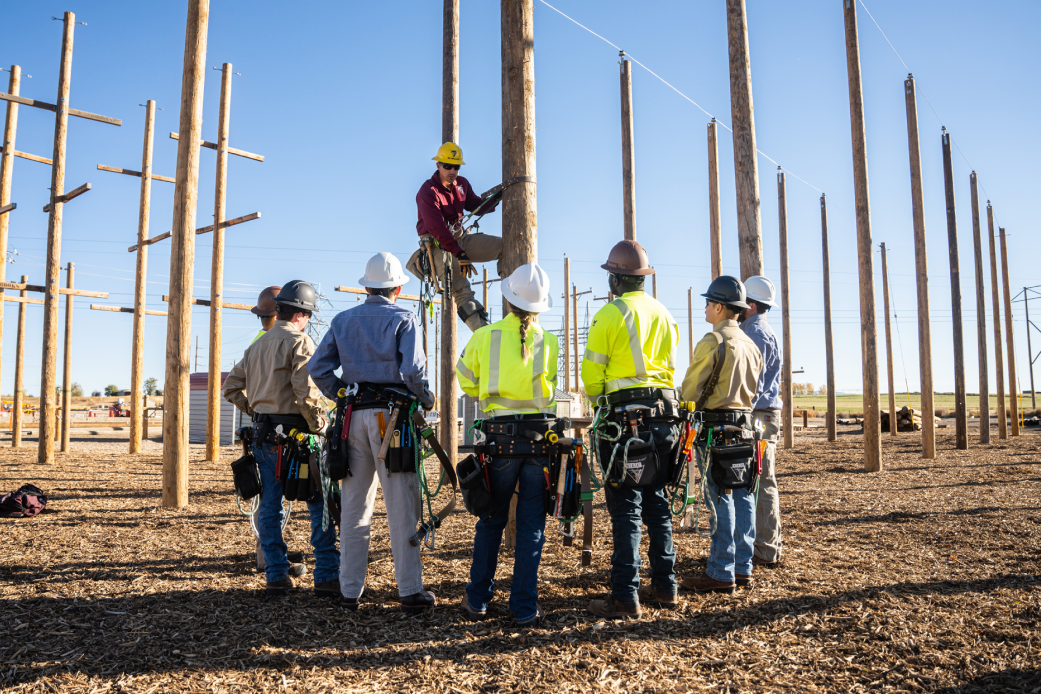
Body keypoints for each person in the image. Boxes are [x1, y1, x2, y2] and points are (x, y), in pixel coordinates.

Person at [307, 252, 437, 614]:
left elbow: (318, 369)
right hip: (391, 421)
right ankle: (410, 591)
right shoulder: (404, 318)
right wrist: (425, 399)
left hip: (352, 419)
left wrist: (342, 394)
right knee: (400, 505)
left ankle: (350, 592)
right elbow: (412, 372)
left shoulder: (343, 320)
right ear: (397, 287)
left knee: (353, 507)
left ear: (366, 286)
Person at [582, 240, 681, 619]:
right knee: (657, 502)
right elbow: (671, 368)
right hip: (664, 416)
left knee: (625, 507)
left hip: (623, 419)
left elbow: (592, 375)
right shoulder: (664, 313)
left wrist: (599, 404)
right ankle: (665, 586)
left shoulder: (610, 315)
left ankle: (625, 595)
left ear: (617, 279)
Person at [456, 262, 558, 627]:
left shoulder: (485, 336)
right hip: (537, 444)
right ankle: (524, 607)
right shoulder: (549, 340)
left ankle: (478, 599)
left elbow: (466, 380)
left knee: (491, 521)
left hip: (499, 442)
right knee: (531, 527)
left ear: (508, 298)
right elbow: (550, 387)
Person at [223, 281, 339, 598]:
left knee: (270, 507)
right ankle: (327, 575)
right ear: (302, 314)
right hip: (299, 440)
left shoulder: (257, 345)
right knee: (320, 505)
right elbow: (306, 391)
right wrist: (321, 425)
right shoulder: (300, 342)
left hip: (265, 438)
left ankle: (275, 575)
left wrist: (258, 411)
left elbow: (231, 388)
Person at [679, 276, 763, 594]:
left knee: (719, 497)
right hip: (745, 428)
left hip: (716, 429)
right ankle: (743, 567)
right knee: (743, 494)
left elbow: (690, 390)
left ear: (718, 306)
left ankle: (720, 571)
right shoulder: (751, 346)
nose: (704, 308)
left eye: (707, 303)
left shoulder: (713, 342)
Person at [406, 142, 502, 331]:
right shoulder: (428, 192)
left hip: (461, 240)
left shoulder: (462, 185)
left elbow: (475, 206)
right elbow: (437, 229)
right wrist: (459, 254)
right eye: (447, 166)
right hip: (437, 246)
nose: (452, 171)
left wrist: (497, 197)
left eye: (456, 166)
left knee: (505, 247)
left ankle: (515, 299)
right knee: (462, 290)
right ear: (438, 165)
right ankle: (485, 334)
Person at [738, 276, 784, 570]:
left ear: (751, 305)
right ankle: (765, 545)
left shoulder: (754, 333)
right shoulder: (763, 330)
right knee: (761, 478)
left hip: (758, 416)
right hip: (765, 415)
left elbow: (751, 385)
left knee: (761, 478)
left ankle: (765, 549)